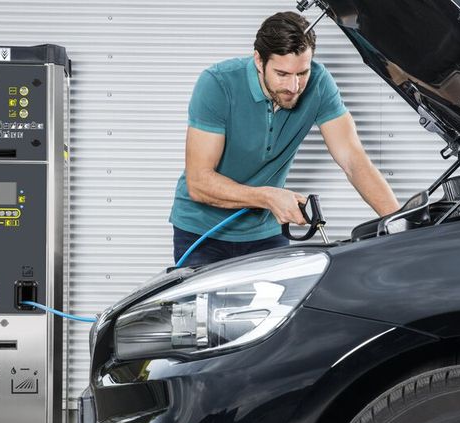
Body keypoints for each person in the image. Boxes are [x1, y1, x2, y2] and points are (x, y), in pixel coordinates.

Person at [169, 11, 400, 266]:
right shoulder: (217, 84)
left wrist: (399, 225)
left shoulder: (320, 83)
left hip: (267, 234)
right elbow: (199, 182)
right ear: (259, 60)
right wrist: (269, 197)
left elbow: (354, 161)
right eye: (282, 74)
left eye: (302, 73)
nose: (293, 87)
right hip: (201, 233)